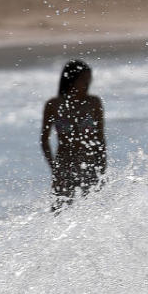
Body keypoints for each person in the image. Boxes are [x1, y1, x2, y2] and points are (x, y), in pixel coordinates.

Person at [40, 60, 106, 208]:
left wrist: (102, 167)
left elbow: (100, 139)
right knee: (59, 210)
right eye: (83, 80)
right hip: (64, 167)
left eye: (89, 80)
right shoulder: (53, 105)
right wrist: (54, 167)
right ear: (71, 80)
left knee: (93, 210)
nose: (87, 84)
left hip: (89, 164)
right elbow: (44, 141)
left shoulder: (94, 103)